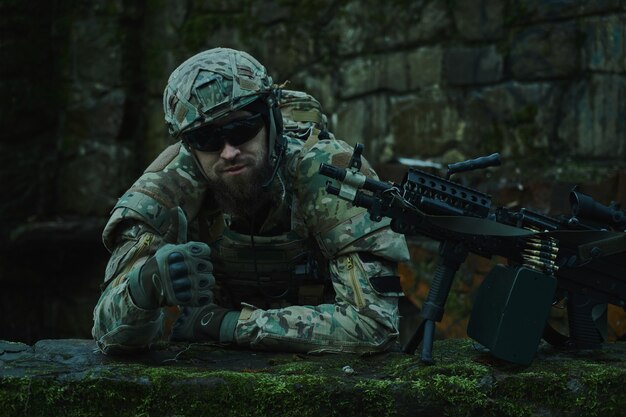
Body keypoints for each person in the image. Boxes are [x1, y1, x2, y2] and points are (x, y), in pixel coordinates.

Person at [92, 47, 410, 355]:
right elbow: (108, 332)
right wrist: (143, 287)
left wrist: (230, 325)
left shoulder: (327, 172)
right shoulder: (169, 186)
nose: (229, 151)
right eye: (208, 138)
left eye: (242, 127)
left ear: (272, 121)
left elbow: (374, 325)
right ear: (189, 145)